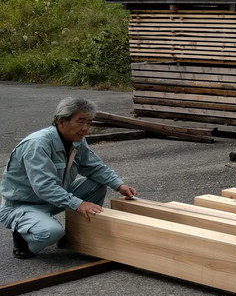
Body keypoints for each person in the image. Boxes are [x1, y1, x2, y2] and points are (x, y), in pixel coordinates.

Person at [1, 97, 138, 259]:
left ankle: (76, 236)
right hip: (22, 205)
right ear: (61, 121)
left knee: (98, 183)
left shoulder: (77, 141)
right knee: (51, 232)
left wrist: (119, 185)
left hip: (50, 200)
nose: (86, 128)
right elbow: (44, 187)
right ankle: (23, 236)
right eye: (80, 122)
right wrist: (78, 203)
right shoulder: (37, 144)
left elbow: (95, 167)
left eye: (89, 122)